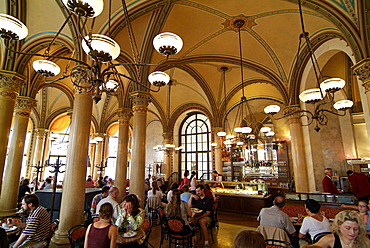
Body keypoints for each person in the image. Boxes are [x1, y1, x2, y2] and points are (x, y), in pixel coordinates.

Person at [302, 210, 370, 248]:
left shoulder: (365, 242)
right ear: (339, 226)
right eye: (348, 228)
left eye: (355, 229)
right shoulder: (330, 239)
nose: (352, 232)